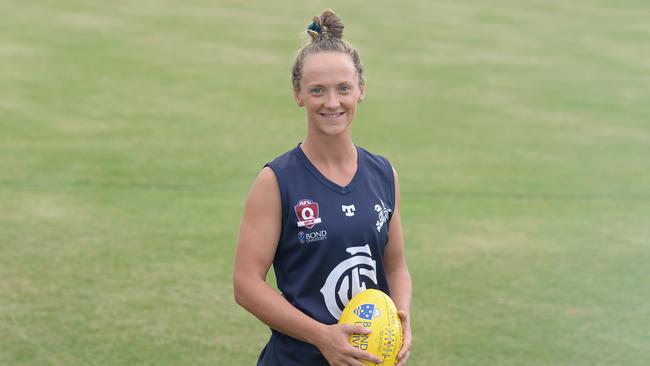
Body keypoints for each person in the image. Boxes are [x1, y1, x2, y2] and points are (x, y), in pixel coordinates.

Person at [233, 9, 412, 366]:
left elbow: (396, 268)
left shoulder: (383, 174)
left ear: (360, 90)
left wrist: (401, 320)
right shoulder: (277, 181)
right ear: (298, 94)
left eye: (343, 88)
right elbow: (246, 285)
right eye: (318, 90)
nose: (332, 103)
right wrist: (323, 337)